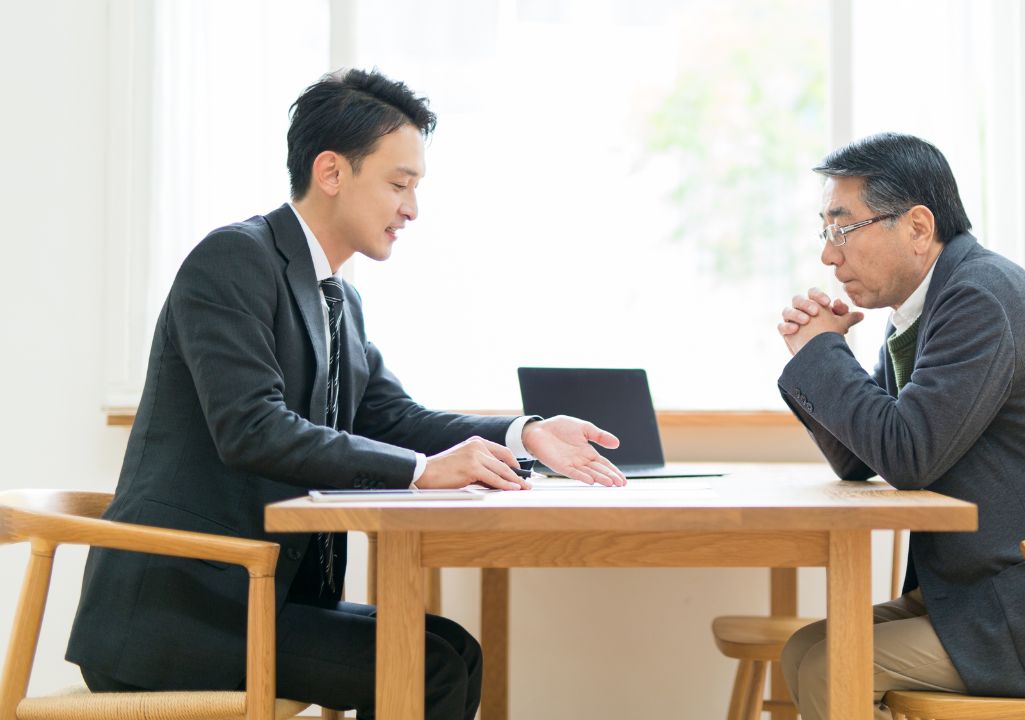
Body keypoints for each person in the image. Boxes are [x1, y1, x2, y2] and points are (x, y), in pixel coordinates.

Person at [66, 69, 625, 720]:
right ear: (331, 172)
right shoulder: (233, 262)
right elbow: (252, 428)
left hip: (259, 599)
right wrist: (422, 473)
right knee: (432, 667)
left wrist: (522, 433)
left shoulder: (338, 299)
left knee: (454, 652)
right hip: (177, 614)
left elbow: (394, 417)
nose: (411, 209)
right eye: (399, 184)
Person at [774, 132, 1025, 719]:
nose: (829, 256)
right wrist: (818, 356)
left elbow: (907, 454)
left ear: (918, 227)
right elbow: (860, 459)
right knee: (803, 649)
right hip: (995, 593)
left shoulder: (978, 297)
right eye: (825, 232)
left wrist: (824, 358)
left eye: (843, 229)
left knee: (826, 664)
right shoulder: (923, 308)